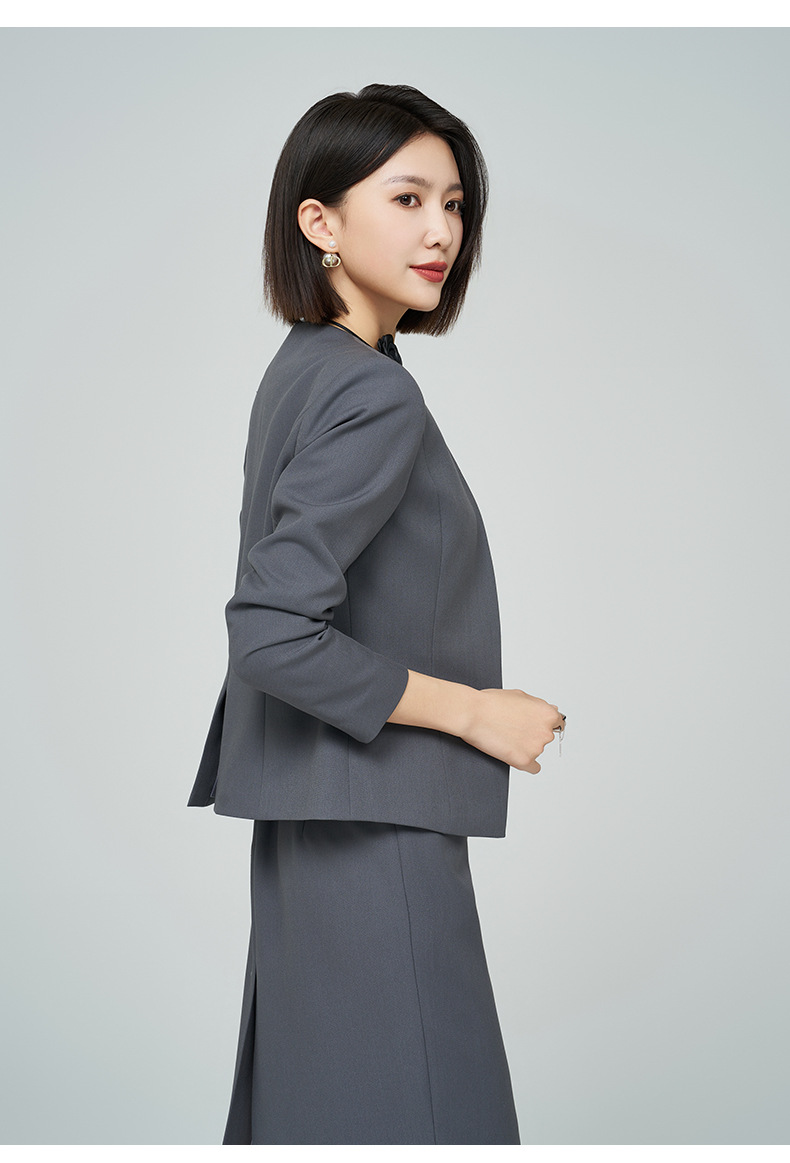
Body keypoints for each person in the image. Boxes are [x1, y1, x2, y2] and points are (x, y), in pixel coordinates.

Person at [188, 82, 566, 1146]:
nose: (441, 230)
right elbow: (271, 630)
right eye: (406, 199)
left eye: (454, 203)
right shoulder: (369, 390)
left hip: (316, 822)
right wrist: (477, 712)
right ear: (319, 221)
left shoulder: (305, 369)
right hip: (372, 830)